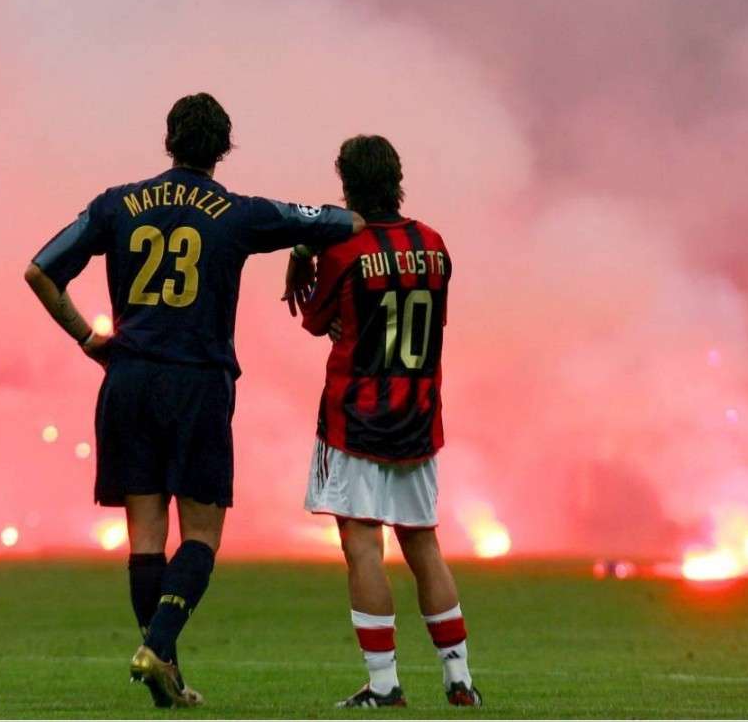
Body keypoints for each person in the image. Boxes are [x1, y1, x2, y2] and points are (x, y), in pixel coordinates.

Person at [24, 93, 364, 708]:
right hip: (198, 384)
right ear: (223, 148)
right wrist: (299, 250)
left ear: (169, 140)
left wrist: (88, 339)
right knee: (202, 535)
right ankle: (157, 649)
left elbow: (41, 271)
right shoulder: (239, 212)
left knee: (146, 538)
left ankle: (168, 676)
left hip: (128, 381)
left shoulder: (117, 204)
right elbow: (342, 222)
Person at [287, 135, 482, 708]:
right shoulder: (434, 245)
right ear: (397, 179)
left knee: (363, 546)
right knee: (423, 543)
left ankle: (384, 684)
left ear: (346, 186)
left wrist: (304, 257)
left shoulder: (344, 249)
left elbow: (314, 318)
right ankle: (459, 678)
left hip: (356, 418)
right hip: (418, 415)